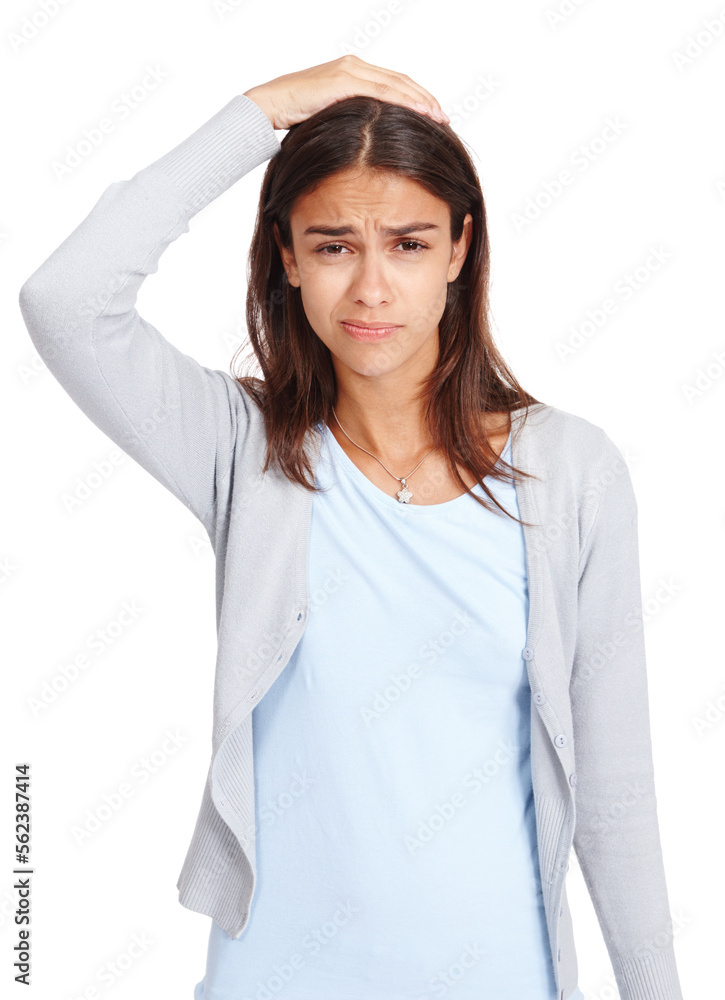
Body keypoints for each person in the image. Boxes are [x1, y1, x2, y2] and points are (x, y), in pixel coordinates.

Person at [19, 55, 683, 1000]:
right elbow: (66, 300)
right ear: (285, 258)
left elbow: (616, 797)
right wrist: (261, 113)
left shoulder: (570, 472)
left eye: (407, 245)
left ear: (461, 249)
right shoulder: (244, 452)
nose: (371, 289)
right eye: (333, 246)